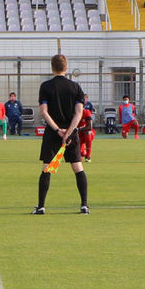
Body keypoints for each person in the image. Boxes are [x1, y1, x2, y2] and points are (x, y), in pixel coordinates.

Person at [33, 54, 88, 215]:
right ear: (66, 67)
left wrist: (57, 130)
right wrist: (68, 133)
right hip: (71, 133)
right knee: (77, 167)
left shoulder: (46, 86)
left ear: (52, 67)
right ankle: (84, 205)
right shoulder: (75, 87)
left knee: (47, 169)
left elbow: (44, 112)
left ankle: (41, 207)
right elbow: (79, 113)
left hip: (52, 133)